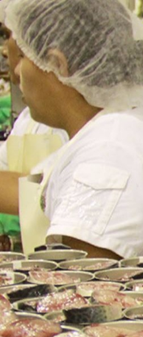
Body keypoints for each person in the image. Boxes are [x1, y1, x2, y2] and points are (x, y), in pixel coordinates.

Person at [0, 0, 143, 258]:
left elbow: (81, 279)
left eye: (23, 57)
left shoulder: (109, 155)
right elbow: (34, 191)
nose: (16, 70)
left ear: (57, 64)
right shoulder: (113, 128)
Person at [0, 20, 67, 249]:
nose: (17, 69)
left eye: (24, 58)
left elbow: (44, 193)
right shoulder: (29, 118)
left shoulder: (96, 133)